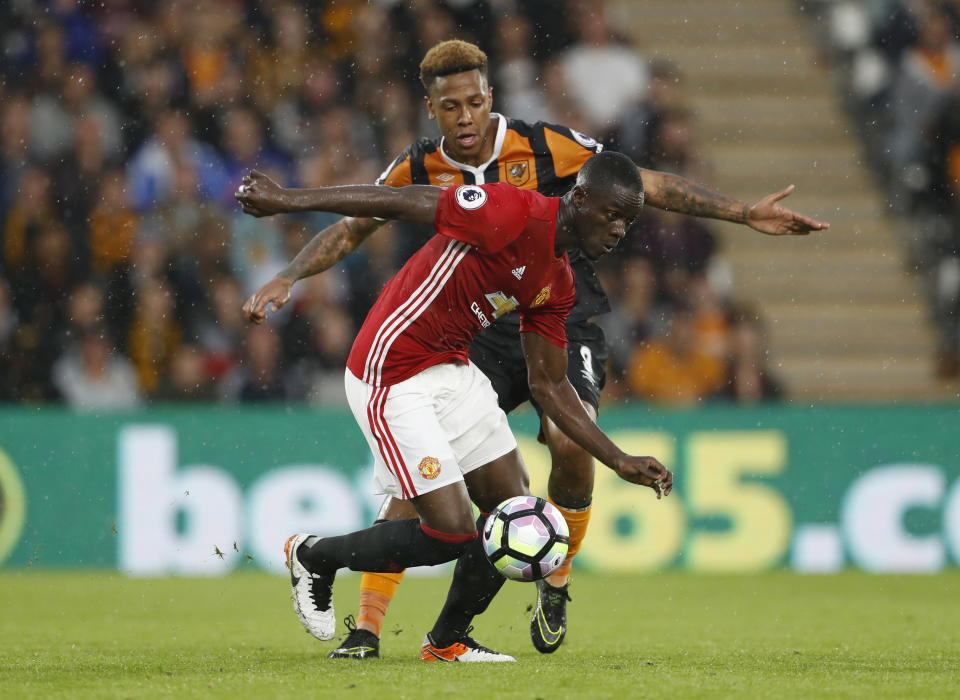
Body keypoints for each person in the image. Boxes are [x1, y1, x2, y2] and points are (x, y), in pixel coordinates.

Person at [234, 39, 830, 658]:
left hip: (548, 308)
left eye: (473, 102)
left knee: (556, 453)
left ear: (491, 98)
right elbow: (363, 219)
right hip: (457, 338)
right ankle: (365, 622)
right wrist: (291, 266)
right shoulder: (452, 184)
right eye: (450, 107)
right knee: (431, 505)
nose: (464, 117)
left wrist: (741, 213)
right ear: (432, 109)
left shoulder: (547, 151)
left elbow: (643, 185)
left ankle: (531, 591)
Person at [242, 151, 673, 662]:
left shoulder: (558, 281)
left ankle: (447, 642)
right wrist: (289, 200)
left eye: (629, 221)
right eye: (612, 215)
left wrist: (618, 459)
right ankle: (315, 557)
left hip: (452, 369)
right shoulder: (511, 211)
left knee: (513, 508)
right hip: (393, 367)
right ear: (580, 198)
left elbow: (551, 386)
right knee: (450, 531)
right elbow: (402, 201)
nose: (620, 230)